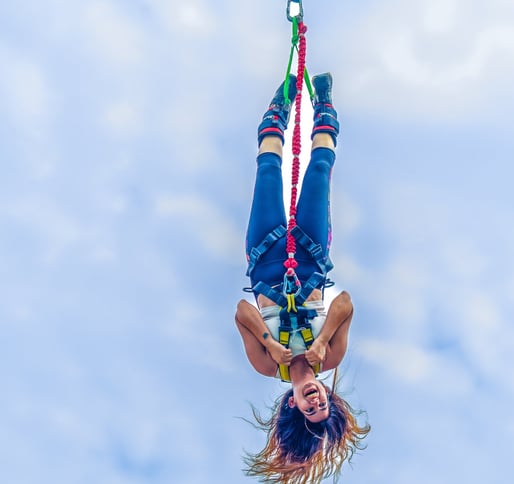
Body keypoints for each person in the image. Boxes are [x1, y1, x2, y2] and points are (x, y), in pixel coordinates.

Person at [235, 73, 370, 484]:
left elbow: (242, 310)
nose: (315, 401)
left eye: (309, 408)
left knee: (268, 169)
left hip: (265, 259)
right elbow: (344, 302)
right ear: (329, 395)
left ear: (292, 405)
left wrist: (270, 342)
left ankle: (278, 106)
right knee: (320, 169)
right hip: (311, 256)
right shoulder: (329, 357)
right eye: (323, 404)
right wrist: (324, 338)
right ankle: (325, 103)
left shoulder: (266, 366)